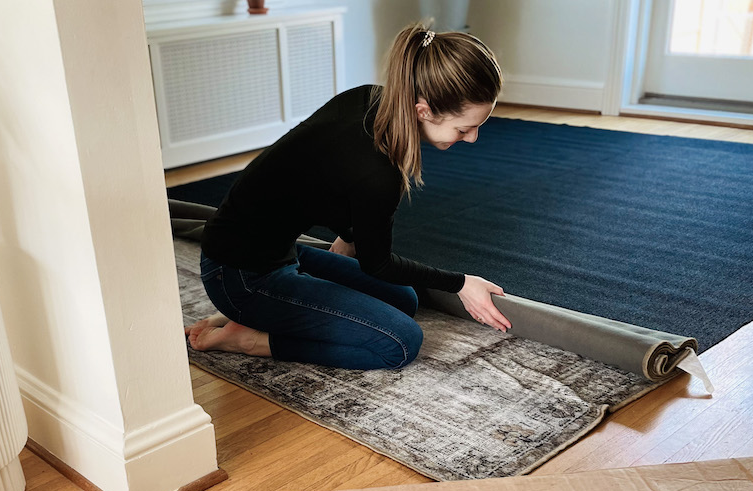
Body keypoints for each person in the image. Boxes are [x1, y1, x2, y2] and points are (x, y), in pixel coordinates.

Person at [185, 23, 511, 370]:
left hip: (274, 252)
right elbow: (378, 263)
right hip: (240, 276)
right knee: (400, 343)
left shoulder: (369, 97)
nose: (473, 138)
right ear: (423, 111)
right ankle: (250, 339)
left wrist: (348, 236)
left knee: (403, 299)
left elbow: (318, 181)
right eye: (465, 128)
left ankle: (275, 309)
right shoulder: (378, 172)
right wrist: (460, 284)